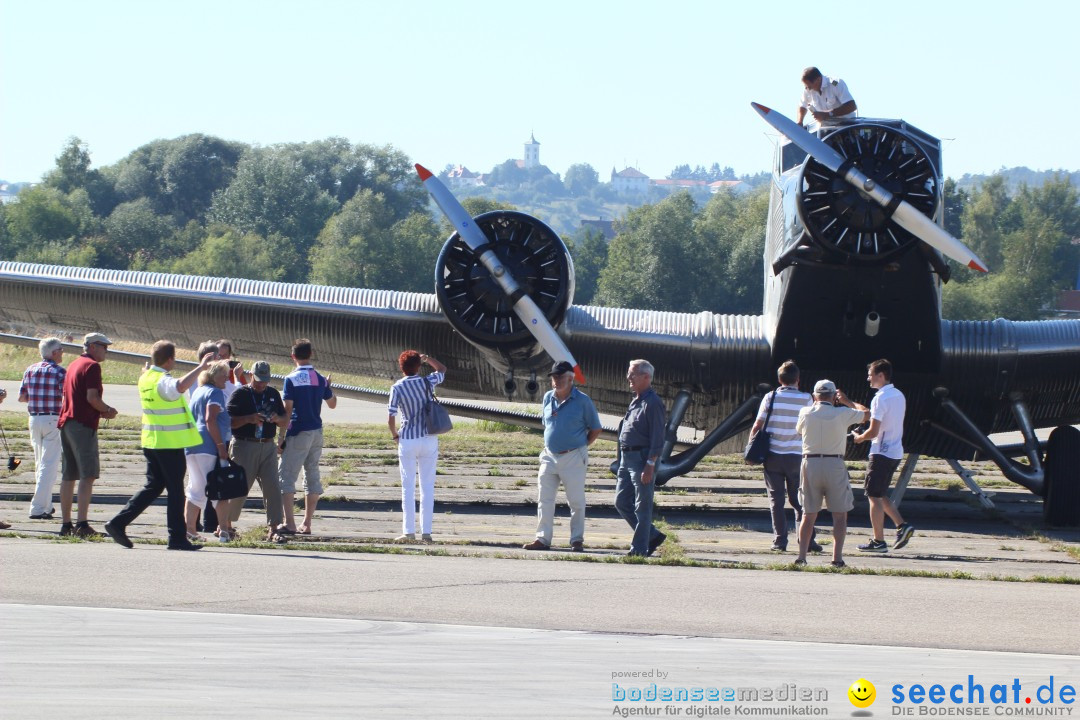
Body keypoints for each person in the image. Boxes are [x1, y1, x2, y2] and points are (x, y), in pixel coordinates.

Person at [105, 341, 213, 550]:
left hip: (152, 441)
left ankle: (118, 523)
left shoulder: (146, 377)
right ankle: (177, 538)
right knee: (175, 491)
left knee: (153, 487)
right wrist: (201, 368)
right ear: (171, 359)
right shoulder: (163, 380)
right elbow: (179, 387)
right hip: (168, 444)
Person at [523, 360, 602, 552]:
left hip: (573, 455)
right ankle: (542, 539)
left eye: (560, 377)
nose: (556, 381)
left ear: (570, 378)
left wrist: (580, 446)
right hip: (549, 455)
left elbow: (596, 428)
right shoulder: (548, 397)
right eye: (553, 377)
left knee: (575, 500)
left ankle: (576, 539)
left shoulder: (583, 401)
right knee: (544, 498)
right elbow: (548, 424)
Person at [793, 380, 870, 567]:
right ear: (834, 396)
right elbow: (867, 414)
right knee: (840, 514)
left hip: (810, 462)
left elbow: (798, 431)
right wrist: (847, 402)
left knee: (808, 514)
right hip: (834, 463)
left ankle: (802, 557)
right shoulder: (842, 413)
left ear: (814, 396)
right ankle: (837, 558)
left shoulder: (805, 412)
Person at [749, 360, 821, 553]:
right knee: (801, 500)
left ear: (780, 379)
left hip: (772, 456)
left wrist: (750, 447)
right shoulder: (807, 398)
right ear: (798, 379)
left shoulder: (770, 397)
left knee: (776, 500)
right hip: (797, 456)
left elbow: (758, 425)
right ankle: (806, 540)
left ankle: (780, 541)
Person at [56, 333, 119, 538]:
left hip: (67, 422)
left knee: (68, 475)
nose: (106, 350)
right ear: (92, 346)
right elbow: (92, 397)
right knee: (87, 475)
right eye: (103, 346)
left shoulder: (74, 364)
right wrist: (107, 409)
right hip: (82, 424)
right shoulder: (92, 366)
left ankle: (66, 525)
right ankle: (82, 523)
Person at [853, 359, 914, 552]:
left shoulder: (880, 398)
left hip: (881, 451)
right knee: (879, 493)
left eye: (871, 374)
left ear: (881, 375)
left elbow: (873, 431)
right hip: (895, 451)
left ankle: (878, 541)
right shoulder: (898, 394)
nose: (868, 378)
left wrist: (860, 438)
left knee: (873, 495)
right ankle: (902, 526)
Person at [387, 350, 446, 543]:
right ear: (418, 366)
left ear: (401, 367)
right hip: (429, 438)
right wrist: (428, 358)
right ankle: (427, 532)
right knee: (427, 487)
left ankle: (408, 531)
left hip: (408, 439)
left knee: (408, 486)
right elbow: (442, 369)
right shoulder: (426, 382)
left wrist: (395, 435)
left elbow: (391, 417)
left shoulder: (397, 387)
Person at [279, 339, 337, 535]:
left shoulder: (291, 379)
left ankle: (290, 523)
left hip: (298, 431)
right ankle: (307, 523)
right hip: (316, 431)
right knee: (312, 476)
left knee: (286, 477)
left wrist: (281, 437)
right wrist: (328, 387)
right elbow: (332, 404)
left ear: (293, 356)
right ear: (310, 354)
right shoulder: (320, 378)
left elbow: (288, 410)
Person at [226, 360, 288, 538]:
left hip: (268, 445)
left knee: (273, 487)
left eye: (265, 380)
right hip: (244, 445)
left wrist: (277, 419)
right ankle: (226, 526)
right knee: (239, 486)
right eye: (258, 379)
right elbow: (228, 422)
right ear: (250, 375)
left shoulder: (273, 393)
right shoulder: (241, 394)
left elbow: (285, 420)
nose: (261, 384)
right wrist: (248, 419)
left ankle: (274, 528)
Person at [615, 359, 667, 557]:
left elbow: (658, 438)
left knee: (642, 507)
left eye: (633, 374)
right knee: (621, 502)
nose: (629, 377)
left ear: (646, 377)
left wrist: (650, 464)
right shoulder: (637, 399)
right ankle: (651, 535)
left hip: (641, 459)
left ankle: (639, 549)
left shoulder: (653, 403)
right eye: (629, 373)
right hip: (626, 459)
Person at [184, 360, 236, 542]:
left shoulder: (198, 391)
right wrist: (221, 446)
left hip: (192, 445)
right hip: (209, 446)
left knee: (196, 488)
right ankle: (223, 531)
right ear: (215, 376)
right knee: (219, 489)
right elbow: (210, 419)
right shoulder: (215, 392)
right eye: (224, 375)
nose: (226, 378)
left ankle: (190, 530)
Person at [19, 337, 65, 520]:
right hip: (52, 419)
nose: (62, 352)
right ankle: (37, 507)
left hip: (34, 418)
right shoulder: (60, 372)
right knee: (49, 465)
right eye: (60, 350)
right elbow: (67, 396)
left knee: (40, 463)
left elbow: (23, 397)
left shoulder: (30, 369)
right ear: (54, 353)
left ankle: (46, 505)